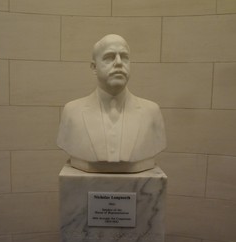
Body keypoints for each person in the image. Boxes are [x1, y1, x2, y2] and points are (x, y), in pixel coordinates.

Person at [57, 34, 166, 172]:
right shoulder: (72, 112)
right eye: (109, 57)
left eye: (124, 57)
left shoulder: (151, 112)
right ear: (94, 67)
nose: (119, 63)